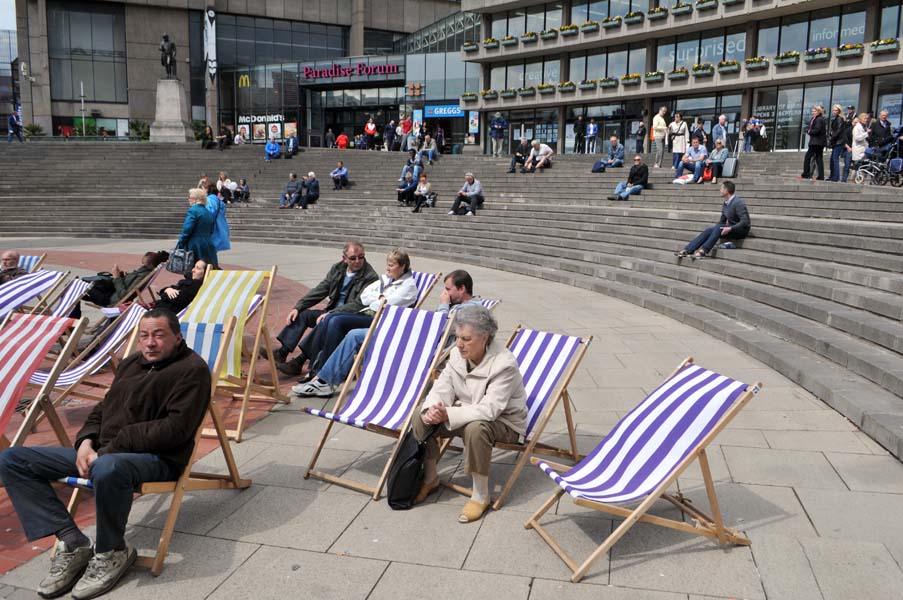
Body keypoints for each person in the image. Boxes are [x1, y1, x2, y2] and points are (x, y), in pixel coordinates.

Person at [0, 308, 211, 600]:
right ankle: (73, 541)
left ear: (177, 337)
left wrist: (109, 450)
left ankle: (113, 551)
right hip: (103, 453)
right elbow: (103, 408)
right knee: (12, 459)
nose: (150, 342)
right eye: (145, 336)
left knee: (108, 468)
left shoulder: (192, 370)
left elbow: (176, 429)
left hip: (158, 459)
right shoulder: (132, 364)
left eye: (159, 335)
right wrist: (85, 443)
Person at [412, 305, 527, 523]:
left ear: (484, 337)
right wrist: (433, 410)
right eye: (457, 337)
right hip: (463, 412)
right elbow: (441, 387)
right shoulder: (456, 354)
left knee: (476, 428)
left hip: (504, 423)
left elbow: (490, 410)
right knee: (420, 414)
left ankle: (481, 495)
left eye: (466, 338)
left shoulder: (504, 364)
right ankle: (430, 477)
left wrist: (448, 414)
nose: (459, 344)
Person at [293, 270, 484, 398]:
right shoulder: (458, 305)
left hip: (420, 347)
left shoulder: (470, 310)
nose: (445, 293)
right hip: (414, 336)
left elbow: (440, 327)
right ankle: (330, 380)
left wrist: (443, 305)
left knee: (358, 336)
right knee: (356, 334)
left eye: (448, 289)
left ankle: (331, 381)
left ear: (462, 289)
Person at [296, 249, 418, 375]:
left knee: (336, 321)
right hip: (366, 313)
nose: (387, 268)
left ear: (402, 266)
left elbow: (380, 306)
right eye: (387, 264)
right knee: (328, 318)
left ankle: (324, 370)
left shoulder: (408, 287)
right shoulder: (386, 279)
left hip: (381, 321)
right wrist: (379, 298)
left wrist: (378, 299)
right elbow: (364, 296)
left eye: (391, 265)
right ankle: (314, 369)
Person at [273, 241, 378, 374]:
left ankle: (299, 361)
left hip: (347, 316)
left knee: (324, 322)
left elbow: (358, 304)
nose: (358, 261)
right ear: (344, 258)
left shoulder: (370, 277)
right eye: (353, 258)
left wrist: (332, 313)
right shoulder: (338, 269)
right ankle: (282, 353)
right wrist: (298, 307)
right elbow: (321, 289)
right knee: (304, 315)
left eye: (361, 257)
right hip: (332, 310)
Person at [676, 181, 750, 259]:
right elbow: (722, 221)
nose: (720, 190)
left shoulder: (738, 202)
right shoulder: (726, 203)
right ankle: (688, 250)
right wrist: (714, 231)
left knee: (718, 227)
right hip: (731, 228)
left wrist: (731, 228)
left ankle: (703, 251)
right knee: (710, 230)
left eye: (721, 188)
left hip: (741, 231)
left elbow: (745, 222)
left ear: (726, 190)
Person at [83, 251, 171, 309]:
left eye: (144, 264)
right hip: (111, 293)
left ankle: (72, 320)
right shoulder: (143, 271)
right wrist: (121, 275)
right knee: (81, 286)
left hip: (111, 299)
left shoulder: (143, 276)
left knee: (80, 286)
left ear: (151, 265)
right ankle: (73, 320)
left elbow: (125, 294)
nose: (141, 266)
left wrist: (117, 277)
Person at [178, 189, 218, 268]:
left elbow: (187, 230)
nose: (188, 199)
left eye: (189, 197)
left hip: (195, 244)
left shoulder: (193, 210)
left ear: (195, 199)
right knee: (205, 269)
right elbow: (211, 229)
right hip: (208, 243)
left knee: (193, 270)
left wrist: (180, 244)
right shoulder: (207, 211)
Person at [800, 105, 826, 181]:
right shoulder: (814, 119)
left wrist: (809, 131)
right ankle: (821, 176)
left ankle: (806, 173)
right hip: (816, 142)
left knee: (808, 157)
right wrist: (808, 129)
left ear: (818, 112)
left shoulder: (819, 119)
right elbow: (810, 127)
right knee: (818, 158)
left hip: (816, 142)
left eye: (814, 111)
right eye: (812, 111)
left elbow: (817, 130)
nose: (813, 113)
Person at [205, 183, 231, 255]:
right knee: (213, 251)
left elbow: (210, 213)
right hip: (220, 226)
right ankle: (213, 264)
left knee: (209, 252)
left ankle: (212, 264)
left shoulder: (209, 200)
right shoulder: (219, 201)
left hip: (213, 228)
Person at [827, 105, 846, 183]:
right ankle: (833, 176)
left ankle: (835, 177)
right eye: (833, 110)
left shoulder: (839, 119)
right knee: (832, 159)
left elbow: (838, 130)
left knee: (835, 159)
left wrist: (832, 138)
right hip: (837, 141)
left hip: (839, 142)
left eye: (836, 110)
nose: (834, 112)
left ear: (839, 111)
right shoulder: (835, 119)